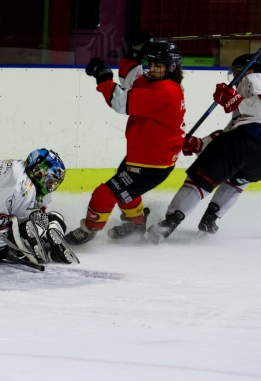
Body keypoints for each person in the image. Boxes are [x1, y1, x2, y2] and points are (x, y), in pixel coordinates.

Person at [67, 41, 186, 245]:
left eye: (160, 65)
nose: (153, 69)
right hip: (142, 156)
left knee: (105, 193)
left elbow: (120, 101)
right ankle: (137, 222)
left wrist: (103, 77)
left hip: (152, 165)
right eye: (151, 63)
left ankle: (88, 229)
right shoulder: (158, 84)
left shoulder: (165, 92)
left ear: (172, 66)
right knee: (125, 192)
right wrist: (133, 53)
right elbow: (132, 81)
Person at [146, 53, 261, 243]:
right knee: (236, 181)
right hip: (253, 157)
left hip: (246, 141)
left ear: (248, 70)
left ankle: (170, 222)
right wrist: (201, 144)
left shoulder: (253, 78)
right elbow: (231, 133)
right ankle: (210, 220)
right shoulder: (248, 106)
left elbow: (238, 135)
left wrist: (234, 100)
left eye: (236, 73)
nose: (234, 78)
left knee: (200, 180)